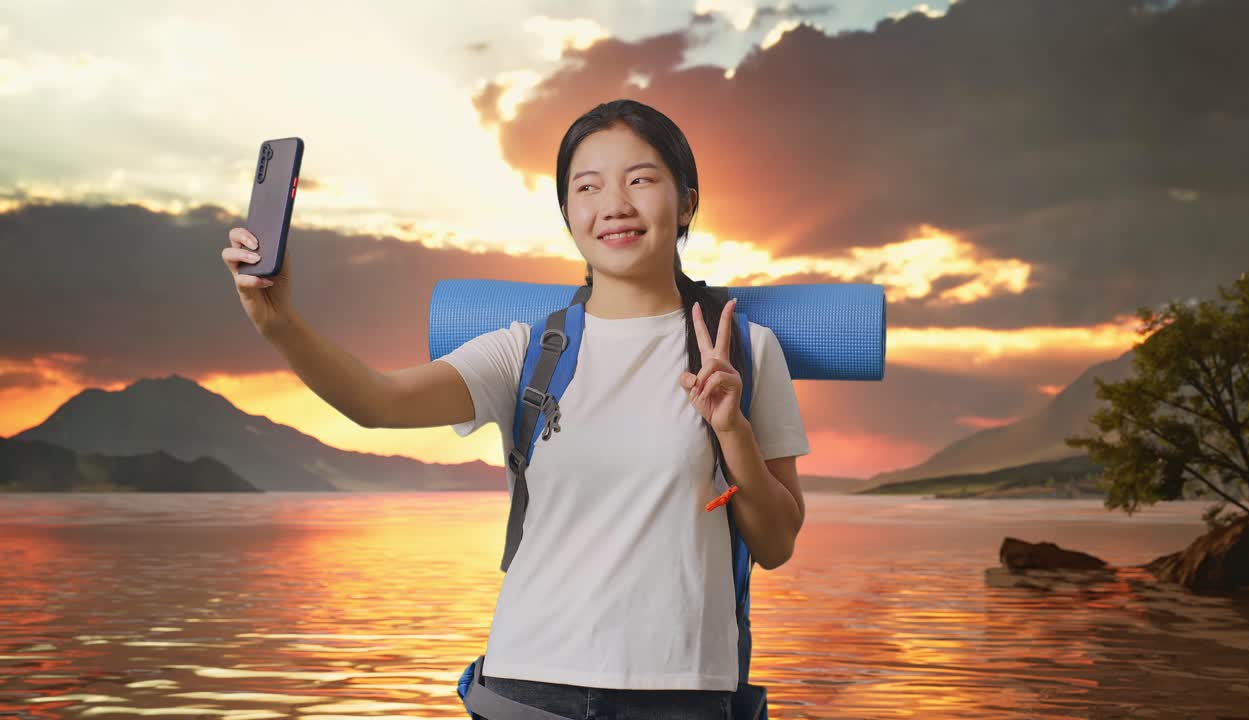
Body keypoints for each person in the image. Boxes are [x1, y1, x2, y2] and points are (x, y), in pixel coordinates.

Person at [222, 98, 810, 720]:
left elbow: (774, 545)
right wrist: (279, 325)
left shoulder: (742, 351)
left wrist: (732, 430)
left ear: (686, 201)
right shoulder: (527, 352)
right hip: (527, 685)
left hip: (685, 691)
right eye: (588, 187)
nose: (614, 204)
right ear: (568, 214)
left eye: (640, 179)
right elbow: (376, 402)